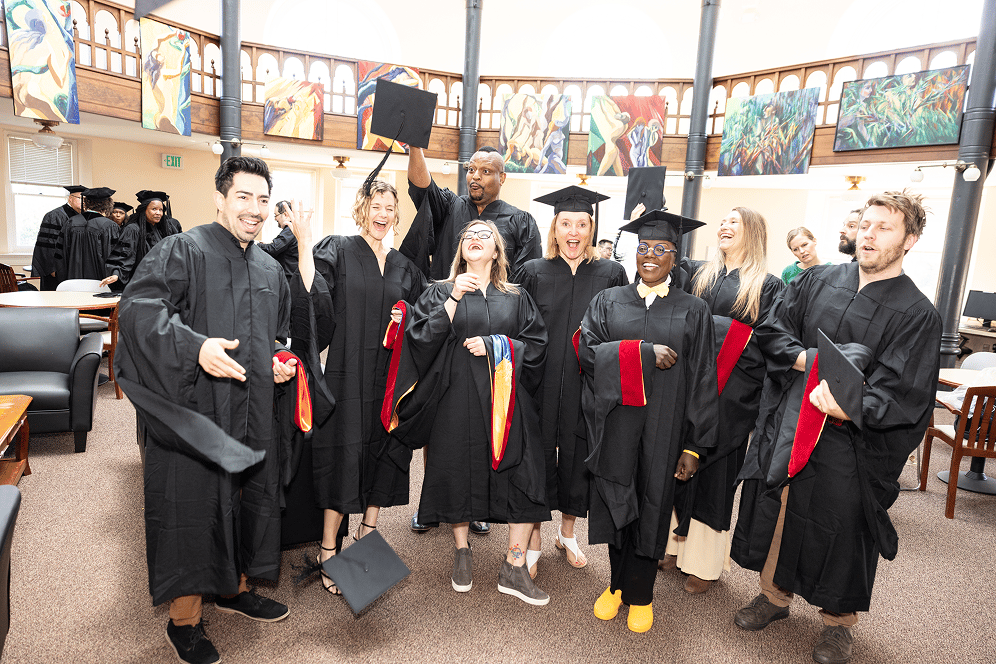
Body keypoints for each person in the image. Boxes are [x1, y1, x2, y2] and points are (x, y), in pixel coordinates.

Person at [114, 156, 325, 664]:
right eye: (243, 197)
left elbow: (272, 337)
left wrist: (277, 360)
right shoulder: (183, 250)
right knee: (194, 509)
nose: (254, 210)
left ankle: (235, 589)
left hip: (252, 412)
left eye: (261, 200)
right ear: (220, 198)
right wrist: (195, 347)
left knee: (250, 501)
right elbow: (139, 312)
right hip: (196, 415)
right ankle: (183, 621)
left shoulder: (271, 268)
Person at [731, 191, 942, 664]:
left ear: (910, 239)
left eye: (883, 227)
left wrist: (855, 407)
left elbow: (906, 391)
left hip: (853, 444)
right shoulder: (817, 280)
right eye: (865, 224)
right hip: (795, 423)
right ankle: (774, 595)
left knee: (842, 524)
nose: (868, 234)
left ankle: (838, 624)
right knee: (783, 506)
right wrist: (802, 357)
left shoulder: (916, 313)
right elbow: (772, 328)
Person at [392, 219, 551, 605]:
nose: (475, 239)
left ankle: (514, 565)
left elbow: (537, 344)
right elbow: (420, 341)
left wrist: (497, 345)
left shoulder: (515, 296)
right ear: (461, 249)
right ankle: (462, 549)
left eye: (485, 236)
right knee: (457, 470)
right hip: (456, 397)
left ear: (496, 251)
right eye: (469, 236)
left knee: (524, 474)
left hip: (506, 402)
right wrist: (453, 300)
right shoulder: (440, 291)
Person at [581, 208, 718, 633]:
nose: (650, 256)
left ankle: (641, 593)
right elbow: (586, 351)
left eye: (661, 249)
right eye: (643, 248)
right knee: (617, 499)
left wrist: (694, 445)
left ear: (675, 258)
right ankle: (616, 585)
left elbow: (703, 377)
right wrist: (643, 351)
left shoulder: (693, 309)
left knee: (654, 506)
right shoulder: (609, 300)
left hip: (667, 427)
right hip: (618, 422)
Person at [403, 145, 542, 534]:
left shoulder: (521, 221)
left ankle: (477, 501)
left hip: (495, 321)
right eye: (471, 169)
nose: (475, 177)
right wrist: (415, 146)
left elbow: (526, 281)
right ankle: (437, 498)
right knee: (442, 421)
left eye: (485, 171)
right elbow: (422, 184)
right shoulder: (452, 206)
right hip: (449, 314)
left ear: (502, 177)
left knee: (483, 420)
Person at [310, 179, 427, 594]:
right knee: (342, 457)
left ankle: (367, 535)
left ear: (397, 215)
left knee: (382, 452)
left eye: (389, 208)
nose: (382, 214)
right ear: (362, 208)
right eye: (376, 205)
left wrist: (407, 314)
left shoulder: (404, 267)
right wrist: (302, 241)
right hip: (345, 374)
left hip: (388, 379)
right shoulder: (337, 250)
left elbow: (422, 315)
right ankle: (328, 549)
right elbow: (315, 302)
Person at [661, 207, 784, 594]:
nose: (725, 225)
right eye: (723, 220)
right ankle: (670, 545)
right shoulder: (700, 273)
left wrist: (718, 330)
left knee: (715, 473)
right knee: (674, 462)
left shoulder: (768, 285)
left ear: (754, 233)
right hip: (691, 384)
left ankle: (703, 563)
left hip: (733, 391)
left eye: (736, 221)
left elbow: (770, 341)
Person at [513, 186, 628, 578]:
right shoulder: (532, 271)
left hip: (589, 381)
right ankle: (535, 538)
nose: (573, 231)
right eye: (566, 223)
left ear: (591, 229)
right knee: (539, 454)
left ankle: (568, 533)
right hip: (540, 380)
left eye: (582, 224)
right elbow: (516, 323)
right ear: (555, 227)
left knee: (580, 457)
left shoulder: (610, 273)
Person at [104, 191, 182, 291]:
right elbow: (123, 254)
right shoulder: (133, 229)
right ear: (144, 210)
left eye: (160, 210)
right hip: (141, 282)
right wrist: (116, 273)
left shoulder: (165, 230)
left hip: (162, 282)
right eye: (154, 209)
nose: (158, 213)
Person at [54, 186, 120, 281]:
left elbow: (60, 255)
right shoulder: (110, 226)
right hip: (100, 281)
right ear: (107, 205)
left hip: (72, 280)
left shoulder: (70, 223)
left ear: (86, 203)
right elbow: (115, 256)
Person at [31, 185, 84, 290]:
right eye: (80, 198)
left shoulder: (83, 217)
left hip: (72, 267)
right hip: (56, 269)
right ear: (70, 198)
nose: (83, 202)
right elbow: (47, 244)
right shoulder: (55, 216)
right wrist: (52, 269)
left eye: (86, 199)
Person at [258, 200, 300, 283]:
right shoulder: (290, 231)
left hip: (289, 280)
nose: (275, 219)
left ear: (285, 214)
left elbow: (273, 249)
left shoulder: (290, 231)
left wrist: (256, 244)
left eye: (276, 215)